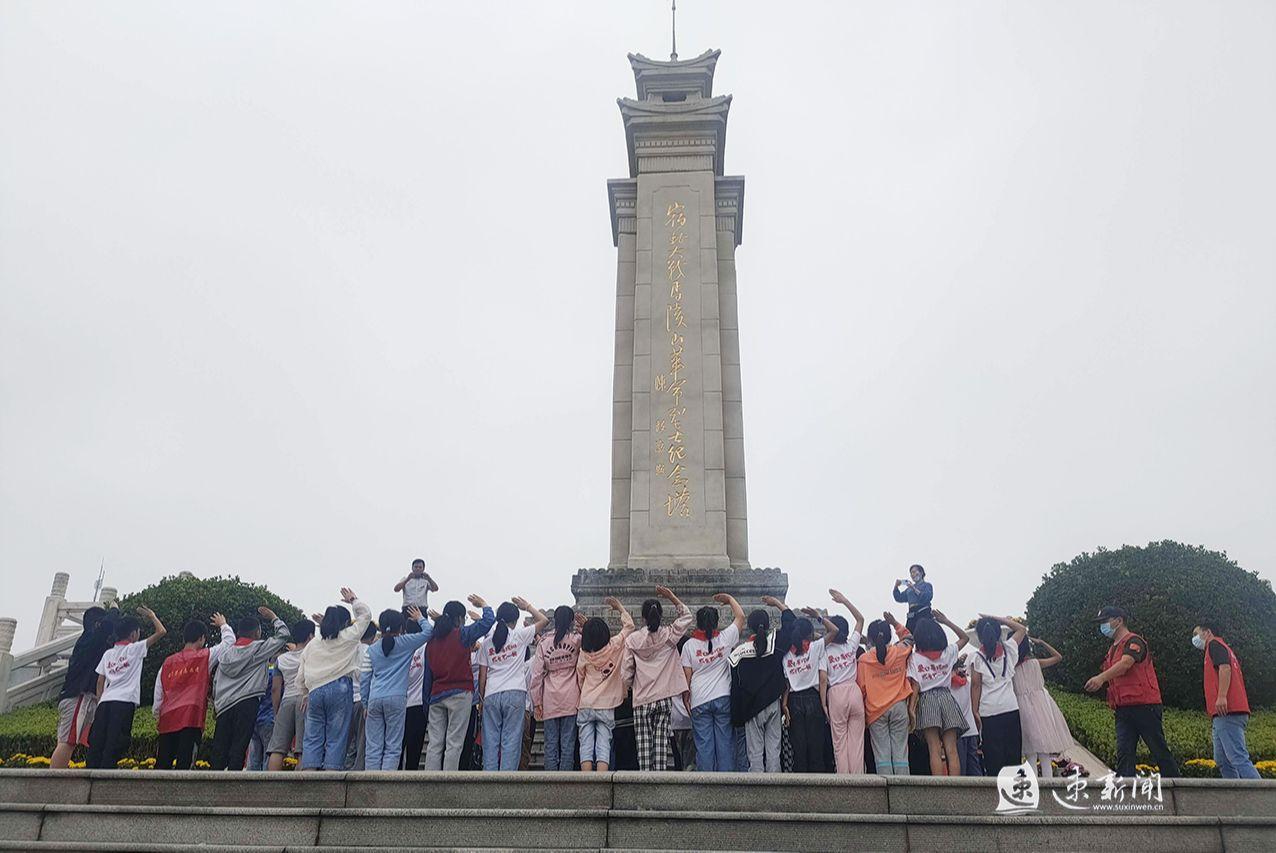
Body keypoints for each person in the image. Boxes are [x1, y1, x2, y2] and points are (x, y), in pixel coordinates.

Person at [1083, 606, 1179, 777]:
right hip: (1123, 707)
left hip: (1144, 705)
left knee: (1158, 749)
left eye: (1105, 621)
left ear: (1119, 620)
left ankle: (1177, 789)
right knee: (1124, 753)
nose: (1102, 626)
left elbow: (1126, 664)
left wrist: (1101, 678)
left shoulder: (1134, 641)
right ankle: (1125, 792)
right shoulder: (1112, 648)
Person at [209, 606, 290, 771]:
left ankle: (214, 787)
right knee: (238, 749)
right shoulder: (259, 648)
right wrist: (274, 617)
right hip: (247, 703)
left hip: (224, 705)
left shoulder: (224, 653)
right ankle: (233, 788)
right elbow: (283, 635)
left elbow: (217, 679)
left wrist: (216, 705)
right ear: (257, 632)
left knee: (220, 749)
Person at [298, 588, 371, 771]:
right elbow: (366, 616)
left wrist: (305, 693)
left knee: (312, 736)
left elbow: (301, 673)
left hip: (315, 691)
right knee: (336, 736)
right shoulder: (348, 636)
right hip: (340, 688)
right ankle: (330, 777)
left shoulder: (313, 644)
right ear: (345, 623)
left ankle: (309, 773)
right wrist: (353, 599)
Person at [86, 607, 167, 769]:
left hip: (106, 702)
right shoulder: (135, 648)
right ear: (133, 635)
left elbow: (100, 681)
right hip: (124, 701)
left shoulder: (108, 653)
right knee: (115, 742)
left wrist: (100, 700)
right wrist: (152, 615)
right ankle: (107, 775)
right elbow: (161, 632)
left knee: (98, 741)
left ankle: (91, 774)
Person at [622, 585, 693, 772]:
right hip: (664, 697)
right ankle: (659, 782)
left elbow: (627, 671)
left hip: (642, 698)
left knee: (644, 744)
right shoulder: (669, 635)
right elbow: (687, 617)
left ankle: (646, 782)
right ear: (660, 615)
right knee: (661, 743)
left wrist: (628, 686)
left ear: (643, 618)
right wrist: (671, 596)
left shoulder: (633, 640)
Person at [153, 613, 235, 769]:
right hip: (191, 719)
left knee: (162, 767)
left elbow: (159, 692)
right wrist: (223, 624)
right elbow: (229, 642)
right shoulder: (205, 656)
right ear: (202, 638)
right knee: (185, 767)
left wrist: (158, 714)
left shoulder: (167, 662)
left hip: (167, 719)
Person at [424, 595, 494, 770]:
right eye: (464, 618)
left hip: (436, 695)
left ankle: (428, 782)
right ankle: (448, 785)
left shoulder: (431, 642)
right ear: (459, 619)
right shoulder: (462, 634)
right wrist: (484, 604)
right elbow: (488, 621)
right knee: (454, 743)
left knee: (434, 744)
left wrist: (427, 703)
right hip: (460, 693)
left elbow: (428, 676)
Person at [478, 597, 547, 770]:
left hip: (491, 695)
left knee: (491, 741)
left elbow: (482, 675)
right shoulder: (519, 635)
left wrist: (481, 698)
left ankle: (489, 781)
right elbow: (544, 621)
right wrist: (528, 606)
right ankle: (505, 783)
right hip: (515, 693)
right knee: (511, 741)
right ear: (515, 621)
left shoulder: (487, 643)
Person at [680, 593, 745, 772]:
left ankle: (706, 790)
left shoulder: (689, 646)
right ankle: (725, 788)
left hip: (699, 700)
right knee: (725, 745)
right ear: (716, 622)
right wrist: (731, 599)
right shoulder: (725, 638)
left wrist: (686, 698)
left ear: (698, 623)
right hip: (723, 697)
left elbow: (687, 677)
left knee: (704, 747)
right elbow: (740, 617)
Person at [365, 606, 433, 770]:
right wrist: (420, 617)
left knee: (373, 747)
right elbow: (429, 632)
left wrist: (365, 704)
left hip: (374, 699)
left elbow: (365, 677)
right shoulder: (405, 642)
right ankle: (386, 788)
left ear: (380, 627)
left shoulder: (372, 649)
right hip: (397, 699)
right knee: (392, 747)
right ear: (401, 627)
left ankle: (369, 784)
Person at [53, 604, 117, 769]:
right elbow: (106, 627)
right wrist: (114, 611)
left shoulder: (89, 642)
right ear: (97, 624)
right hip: (78, 696)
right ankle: (53, 783)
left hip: (78, 696)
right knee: (68, 742)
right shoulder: (90, 639)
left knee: (69, 741)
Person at [1193, 620, 1259, 779]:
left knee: (1238, 758)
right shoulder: (1221, 648)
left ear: (1207, 632)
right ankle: (1235, 797)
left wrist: (1222, 696)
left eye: (1196, 634)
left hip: (1228, 711)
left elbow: (1225, 668)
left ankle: (1264, 798)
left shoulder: (1214, 645)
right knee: (1223, 760)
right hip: (1223, 713)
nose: (1195, 638)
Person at [906, 610, 970, 776]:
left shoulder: (915, 658)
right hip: (947, 697)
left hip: (927, 700)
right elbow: (965, 638)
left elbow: (916, 685)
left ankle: (939, 788)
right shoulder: (948, 653)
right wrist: (946, 621)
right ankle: (955, 787)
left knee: (934, 749)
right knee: (951, 749)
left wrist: (912, 709)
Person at [575, 596, 635, 772]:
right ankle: (601, 780)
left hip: (586, 703)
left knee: (585, 744)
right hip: (606, 705)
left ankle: (586, 781)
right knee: (603, 743)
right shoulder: (614, 646)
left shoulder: (584, 654)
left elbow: (580, 677)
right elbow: (629, 626)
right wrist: (620, 608)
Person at [728, 607, 788, 773]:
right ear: (768, 626)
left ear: (749, 627)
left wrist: (737, 715)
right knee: (774, 750)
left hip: (752, 709)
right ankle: (774, 788)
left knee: (754, 753)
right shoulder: (775, 644)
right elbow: (791, 624)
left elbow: (735, 687)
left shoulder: (738, 653)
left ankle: (758, 791)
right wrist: (778, 604)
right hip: (773, 705)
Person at [856, 612, 914, 776]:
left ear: (870, 639)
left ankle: (886, 793)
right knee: (901, 754)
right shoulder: (900, 651)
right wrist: (895, 622)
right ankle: (903, 792)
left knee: (882, 756)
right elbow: (909, 638)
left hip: (875, 711)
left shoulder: (864, 660)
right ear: (888, 635)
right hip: (899, 708)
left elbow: (862, 688)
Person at [782, 606, 838, 773]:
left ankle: (801, 790)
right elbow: (834, 630)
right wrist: (818, 616)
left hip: (793, 702)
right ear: (809, 633)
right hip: (813, 700)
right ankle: (817, 790)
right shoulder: (815, 647)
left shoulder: (786, 654)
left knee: (799, 749)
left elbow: (786, 684)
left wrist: (784, 704)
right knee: (816, 748)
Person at [970, 614, 1027, 776]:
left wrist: (975, 711)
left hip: (988, 711)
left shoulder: (976, 657)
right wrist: (995, 618)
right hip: (1010, 708)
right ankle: (1013, 794)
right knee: (1013, 755)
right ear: (998, 633)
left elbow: (975, 685)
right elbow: (1021, 629)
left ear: (979, 636)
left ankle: (997, 794)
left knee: (994, 758)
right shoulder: (1009, 648)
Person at [531, 605, 584, 771]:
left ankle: (550, 783)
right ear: (571, 621)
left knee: (550, 745)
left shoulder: (544, 642)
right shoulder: (576, 640)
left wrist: (537, 702)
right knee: (568, 745)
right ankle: (565, 785)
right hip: (571, 697)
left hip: (550, 699)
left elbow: (536, 675)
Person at [1012, 632, 1071, 777]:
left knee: (1030, 753)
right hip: (1041, 706)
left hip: (1021, 707)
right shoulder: (1036, 663)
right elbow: (1058, 657)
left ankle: (1034, 787)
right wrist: (1042, 642)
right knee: (1044, 752)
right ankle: (1048, 786)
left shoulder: (1011, 669)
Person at [820, 589, 865, 774]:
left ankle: (844, 784)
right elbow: (861, 620)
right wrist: (844, 600)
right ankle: (859, 782)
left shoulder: (824, 650)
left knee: (839, 744)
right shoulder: (851, 645)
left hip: (836, 694)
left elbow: (823, 679)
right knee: (857, 744)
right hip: (854, 692)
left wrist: (823, 704)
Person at [267, 618, 315, 771]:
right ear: (310, 636)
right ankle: (300, 788)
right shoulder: (311, 654)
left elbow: (275, 688)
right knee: (301, 748)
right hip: (304, 700)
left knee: (277, 748)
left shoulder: (281, 659)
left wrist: (276, 711)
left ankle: (271, 785)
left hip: (286, 700)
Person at [346, 621, 377, 771]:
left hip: (347, 700)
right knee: (362, 742)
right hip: (362, 701)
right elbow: (368, 678)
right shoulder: (370, 652)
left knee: (347, 742)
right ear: (372, 637)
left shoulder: (350, 649)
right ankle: (358, 773)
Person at [401, 622, 429, 770]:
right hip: (417, 705)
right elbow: (430, 632)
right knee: (414, 749)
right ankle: (410, 779)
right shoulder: (424, 649)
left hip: (401, 704)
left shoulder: (401, 650)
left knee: (397, 747)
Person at [948, 653, 982, 776]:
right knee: (974, 766)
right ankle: (979, 792)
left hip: (957, 732)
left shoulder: (948, 686)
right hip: (971, 730)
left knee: (960, 768)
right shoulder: (967, 683)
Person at [891, 564, 933, 632]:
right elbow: (899, 598)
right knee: (909, 634)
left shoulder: (927, 585)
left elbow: (927, 597)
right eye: (911, 573)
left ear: (921, 573)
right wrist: (896, 587)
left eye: (914, 572)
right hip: (912, 614)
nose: (912, 574)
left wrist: (913, 588)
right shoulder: (909, 590)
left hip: (923, 612)